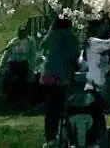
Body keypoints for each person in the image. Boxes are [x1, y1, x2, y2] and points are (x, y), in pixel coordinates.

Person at [37, 15, 81, 146]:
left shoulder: (51, 35)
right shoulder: (70, 36)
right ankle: (64, 136)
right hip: (61, 77)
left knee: (50, 109)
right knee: (62, 108)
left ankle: (50, 137)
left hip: (47, 76)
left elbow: (43, 46)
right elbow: (75, 54)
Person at [82, 17, 110, 145]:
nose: (104, 28)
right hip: (93, 89)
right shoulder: (93, 42)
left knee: (99, 121)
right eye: (101, 26)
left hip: (99, 90)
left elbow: (102, 66)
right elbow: (109, 43)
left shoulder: (98, 48)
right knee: (97, 121)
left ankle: (97, 141)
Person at [0, 23, 39, 111]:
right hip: (12, 64)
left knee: (22, 82)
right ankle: (8, 100)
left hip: (23, 65)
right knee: (8, 80)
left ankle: (22, 102)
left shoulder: (30, 42)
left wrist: (32, 68)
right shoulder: (13, 42)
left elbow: (33, 56)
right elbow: (6, 55)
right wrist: (1, 67)